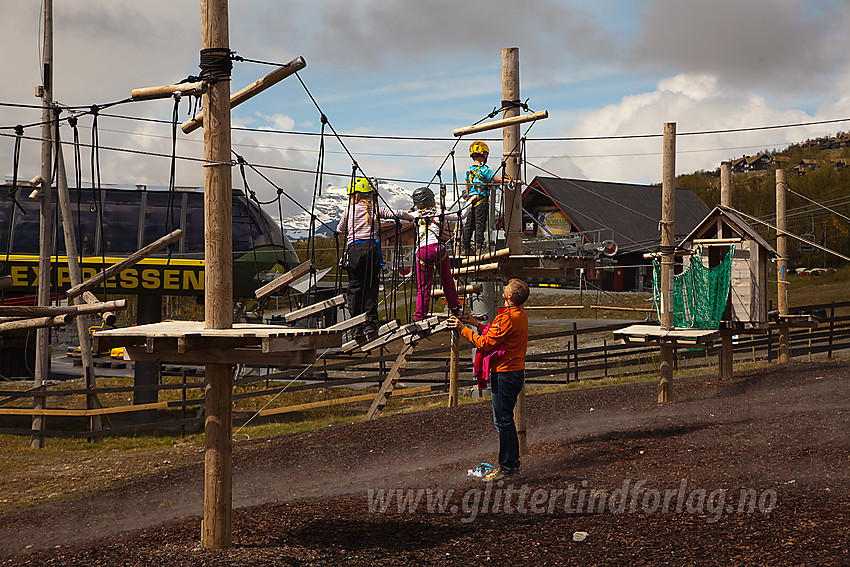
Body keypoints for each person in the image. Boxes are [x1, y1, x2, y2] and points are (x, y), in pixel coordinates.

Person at [448, 278, 530, 481]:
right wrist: (476, 324)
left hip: (504, 374)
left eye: (506, 288)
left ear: (510, 296)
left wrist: (463, 328)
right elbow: (497, 335)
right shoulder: (519, 315)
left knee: (503, 422)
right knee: (505, 421)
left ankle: (508, 467)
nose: (503, 289)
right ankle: (510, 465)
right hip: (515, 372)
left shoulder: (507, 318)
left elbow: (485, 344)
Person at [336, 177, 410, 340]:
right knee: (371, 285)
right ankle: (370, 324)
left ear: (355, 196)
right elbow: (396, 214)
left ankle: (355, 326)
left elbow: (339, 229)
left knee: (355, 287)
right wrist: (410, 217)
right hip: (372, 251)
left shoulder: (349, 210)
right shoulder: (375, 209)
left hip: (355, 250)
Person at [408, 186, 467, 321]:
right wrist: (471, 201)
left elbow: (399, 217)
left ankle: (419, 317)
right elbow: (461, 215)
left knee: (423, 288)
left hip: (422, 252)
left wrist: (410, 211)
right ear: (432, 201)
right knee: (447, 280)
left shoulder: (415, 215)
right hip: (437, 250)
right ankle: (454, 307)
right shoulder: (439, 212)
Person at [462, 140, 507, 255]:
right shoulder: (484, 170)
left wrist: (469, 197)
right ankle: (478, 248)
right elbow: (497, 180)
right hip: (481, 199)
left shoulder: (469, 171)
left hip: (470, 199)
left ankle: (465, 247)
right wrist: (511, 181)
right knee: (480, 223)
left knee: (469, 223)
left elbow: (467, 187)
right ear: (484, 154)